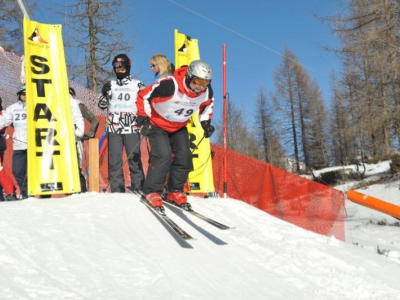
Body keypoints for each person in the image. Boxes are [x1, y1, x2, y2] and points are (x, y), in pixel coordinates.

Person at [136, 60, 215, 208]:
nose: (200, 86)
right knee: (163, 155)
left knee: (184, 156)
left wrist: (205, 122)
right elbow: (144, 95)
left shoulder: (206, 92)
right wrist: (143, 119)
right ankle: (151, 191)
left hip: (178, 126)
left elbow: (208, 105)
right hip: (157, 123)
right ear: (190, 76)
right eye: (198, 81)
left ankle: (174, 190)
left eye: (205, 82)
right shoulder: (171, 84)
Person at [97, 53, 145, 193]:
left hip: (131, 124)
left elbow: (145, 101)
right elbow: (102, 105)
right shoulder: (110, 84)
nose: (119, 68)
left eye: (122, 65)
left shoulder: (137, 84)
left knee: (134, 157)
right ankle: (117, 188)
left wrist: (144, 118)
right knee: (115, 159)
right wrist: (104, 93)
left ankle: (139, 187)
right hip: (114, 124)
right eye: (116, 66)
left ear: (128, 66)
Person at [0, 85, 28, 199]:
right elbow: (3, 120)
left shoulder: (37, 105)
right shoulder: (13, 108)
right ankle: (25, 193)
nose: (25, 96)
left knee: (35, 171)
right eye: (22, 94)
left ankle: (38, 194)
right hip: (19, 144)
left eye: (27, 94)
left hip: (35, 143)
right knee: (17, 171)